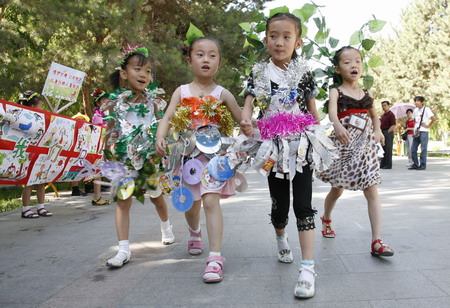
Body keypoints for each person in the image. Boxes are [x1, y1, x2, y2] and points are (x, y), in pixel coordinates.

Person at [240, 13, 320, 298]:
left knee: (303, 204)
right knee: (280, 205)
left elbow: (312, 110)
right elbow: (248, 103)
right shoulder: (259, 71)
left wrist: (319, 142)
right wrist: (246, 120)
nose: (279, 41)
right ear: (265, 40)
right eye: (274, 35)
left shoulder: (305, 72)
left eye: (287, 36)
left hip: (300, 147)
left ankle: (308, 269)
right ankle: (280, 236)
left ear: (298, 41)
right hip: (272, 146)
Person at [156, 37, 242, 283]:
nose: (206, 59)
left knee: (211, 201)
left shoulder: (223, 93)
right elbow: (167, 117)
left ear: (219, 62)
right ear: (189, 59)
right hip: (187, 158)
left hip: (215, 161)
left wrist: (251, 127)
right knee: (192, 204)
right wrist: (160, 137)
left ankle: (215, 258)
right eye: (200, 54)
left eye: (212, 55)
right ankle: (194, 231)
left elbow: (240, 119)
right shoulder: (181, 91)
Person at [316, 46, 394, 260]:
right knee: (337, 188)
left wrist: (378, 130)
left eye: (358, 61)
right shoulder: (336, 91)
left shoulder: (366, 93)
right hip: (345, 145)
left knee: (372, 190)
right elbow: (333, 112)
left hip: (366, 147)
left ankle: (377, 240)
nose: (354, 65)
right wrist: (338, 126)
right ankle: (326, 218)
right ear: (338, 68)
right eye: (347, 62)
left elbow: (375, 116)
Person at [103, 46, 175, 268]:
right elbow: (110, 131)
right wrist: (107, 155)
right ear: (124, 73)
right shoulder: (114, 103)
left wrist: (162, 145)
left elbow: (163, 125)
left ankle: (166, 227)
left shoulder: (154, 101)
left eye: (148, 71)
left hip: (150, 157)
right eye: (138, 69)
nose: (144, 75)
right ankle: (123, 249)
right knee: (123, 201)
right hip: (125, 158)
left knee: (156, 196)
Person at [18, 90, 53, 218]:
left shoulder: (42, 119)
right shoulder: (23, 118)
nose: (42, 107)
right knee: (29, 181)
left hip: (40, 153)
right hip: (28, 153)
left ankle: (41, 207)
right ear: (33, 106)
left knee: (41, 180)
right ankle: (25, 209)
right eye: (40, 105)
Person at [90, 88, 110, 206]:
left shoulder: (107, 115)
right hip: (99, 148)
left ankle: (98, 196)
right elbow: (98, 134)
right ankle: (97, 197)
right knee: (97, 172)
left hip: (107, 147)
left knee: (101, 172)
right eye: (104, 101)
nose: (107, 104)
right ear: (98, 103)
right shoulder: (97, 117)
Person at [409, 96, 437, 170]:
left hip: (424, 131)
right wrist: (414, 130)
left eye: (418, 101)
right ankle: (415, 164)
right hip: (416, 131)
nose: (416, 102)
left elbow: (434, 119)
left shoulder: (426, 109)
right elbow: (415, 120)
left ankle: (422, 165)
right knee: (413, 149)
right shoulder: (415, 110)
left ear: (422, 102)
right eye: (415, 101)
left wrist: (428, 126)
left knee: (423, 148)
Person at [380, 101, 396, 169]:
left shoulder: (391, 114)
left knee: (388, 149)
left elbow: (393, 124)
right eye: (382, 106)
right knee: (383, 149)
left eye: (385, 105)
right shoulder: (383, 115)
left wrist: (388, 131)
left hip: (388, 132)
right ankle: (383, 163)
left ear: (388, 105)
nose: (384, 107)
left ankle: (388, 164)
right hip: (382, 132)